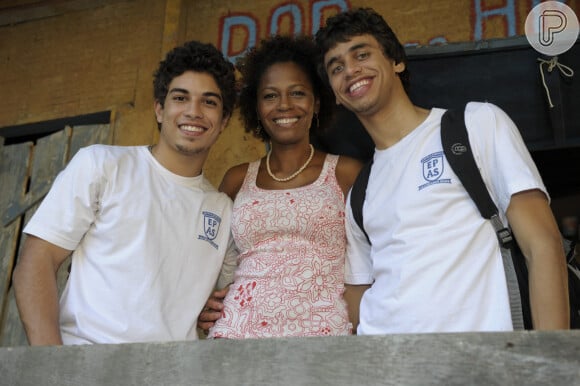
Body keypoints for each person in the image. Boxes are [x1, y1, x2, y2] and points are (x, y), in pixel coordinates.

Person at [314, 7, 569, 334]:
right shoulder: (360, 193)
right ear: (335, 94)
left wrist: (551, 362)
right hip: (390, 371)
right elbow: (358, 291)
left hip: (484, 361)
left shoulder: (475, 124)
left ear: (396, 61)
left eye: (361, 54)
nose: (350, 70)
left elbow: (543, 245)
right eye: (336, 67)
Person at [12, 40, 238, 345]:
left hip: (174, 374)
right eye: (180, 97)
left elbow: (232, 297)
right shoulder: (102, 165)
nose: (193, 112)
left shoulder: (222, 210)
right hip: (86, 363)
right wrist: (53, 365)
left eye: (209, 102)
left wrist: (208, 311)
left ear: (223, 121)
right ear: (160, 109)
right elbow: (37, 260)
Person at [199, 35, 363, 338]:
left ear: (316, 103)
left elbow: (369, 262)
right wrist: (200, 300)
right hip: (236, 337)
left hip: (323, 337)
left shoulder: (346, 172)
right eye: (270, 96)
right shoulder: (237, 179)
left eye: (298, 93)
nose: (284, 105)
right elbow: (209, 258)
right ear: (256, 108)